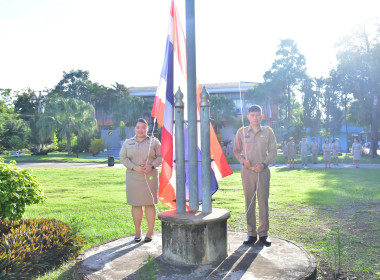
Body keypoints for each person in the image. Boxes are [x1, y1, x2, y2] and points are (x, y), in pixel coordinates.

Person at [233, 105, 277, 246]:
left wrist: (264, 164)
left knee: (263, 201)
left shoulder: (268, 132)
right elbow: (236, 151)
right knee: (249, 201)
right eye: (252, 115)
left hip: (263, 172)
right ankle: (251, 233)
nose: (255, 118)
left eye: (258, 115)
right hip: (247, 172)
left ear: (261, 116)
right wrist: (242, 161)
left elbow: (273, 151)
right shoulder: (241, 132)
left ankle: (263, 233)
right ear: (248, 117)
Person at [119, 118, 162, 243]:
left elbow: (160, 156)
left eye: (143, 127)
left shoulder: (154, 142)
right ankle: (138, 232)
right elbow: (123, 158)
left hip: (150, 176)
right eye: (138, 127)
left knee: (149, 204)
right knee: (136, 204)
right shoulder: (128, 143)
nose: (140, 130)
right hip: (134, 176)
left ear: (147, 129)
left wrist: (152, 166)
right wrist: (134, 167)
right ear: (135, 129)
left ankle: (150, 232)